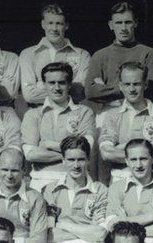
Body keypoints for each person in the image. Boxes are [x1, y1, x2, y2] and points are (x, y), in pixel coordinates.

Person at [21, 62, 97, 191]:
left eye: (61, 82)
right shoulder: (32, 115)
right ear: (44, 85)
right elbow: (31, 155)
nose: (57, 87)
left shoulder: (84, 112)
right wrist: (73, 155)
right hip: (41, 180)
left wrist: (48, 144)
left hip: (75, 179)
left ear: (69, 84)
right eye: (51, 83)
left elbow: (86, 149)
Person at [86, 2, 153, 127]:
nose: (124, 28)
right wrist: (134, 87)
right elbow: (90, 92)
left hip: (140, 112)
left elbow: (150, 90)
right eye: (119, 23)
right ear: (111, 25)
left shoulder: (149, 53)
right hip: (108, 113)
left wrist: (106, 89)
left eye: (128, 22)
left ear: (135, 23)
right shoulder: (100, 55)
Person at [99, 62, 153, 183]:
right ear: (121, 86)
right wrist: (146, 151)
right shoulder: (112, 115)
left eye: (136, 84)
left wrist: (121, 147)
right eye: (127, 84)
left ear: (145, 85)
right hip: (120, 178)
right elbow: (106, 152)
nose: (132, 89)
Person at [19, 3, 90, 106]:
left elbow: (80, 93)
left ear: (66, 25)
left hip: (71, 113)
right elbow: (29, 95)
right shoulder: (28, 54)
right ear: (43, 24)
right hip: (39, 114)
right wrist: (66, 87)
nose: (54, 28)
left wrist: (40, 85)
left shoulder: (82, 55)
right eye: (50, 23)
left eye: (59, 23)